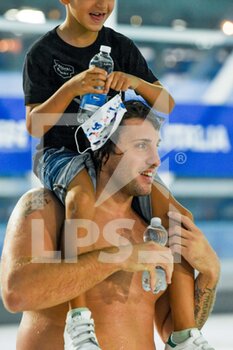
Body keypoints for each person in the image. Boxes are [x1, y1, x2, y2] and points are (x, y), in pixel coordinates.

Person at [1, 102, 220, 350]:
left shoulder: (153, 229)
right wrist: (117, 258)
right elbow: (16, 294)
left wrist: (209, 274)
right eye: (140, 146)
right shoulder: (44, 208)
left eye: (155, 146)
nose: (156, 160)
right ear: (105, 149)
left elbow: (172, 333)